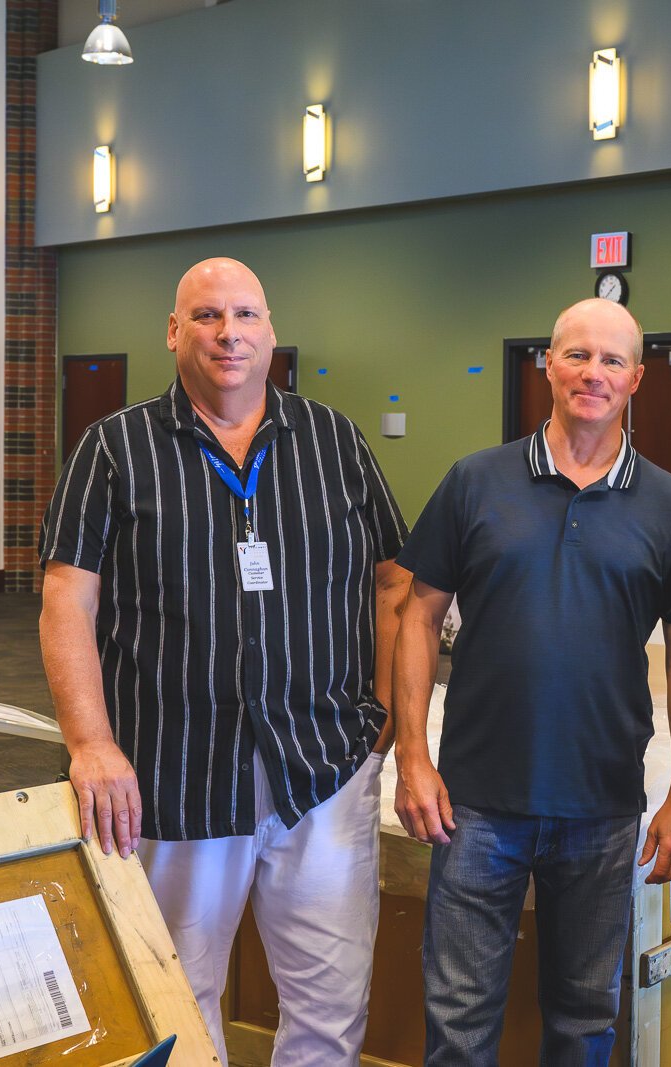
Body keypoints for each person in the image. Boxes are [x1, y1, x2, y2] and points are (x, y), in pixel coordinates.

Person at [38, 257, 409, 1065]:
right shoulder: (112, 449)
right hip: (172, 775)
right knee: (173, 998)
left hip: (323, 767)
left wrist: (383, 718)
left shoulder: (335, 441)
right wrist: (91, 743)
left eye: (245, 315)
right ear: (174, 332)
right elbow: (67, 602)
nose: (228, 333)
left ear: (271, 333)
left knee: (329, 1002)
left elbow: (396, 580)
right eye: (206, 316)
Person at [391, 297, 671, 1066]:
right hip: (474, 805)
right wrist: (412, 756)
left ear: (636, 377)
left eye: (610, 361)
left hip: (601, 806)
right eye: (576, 355)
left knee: (584, 1021)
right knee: (459, 1025)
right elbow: (416, 616)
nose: (591, 373)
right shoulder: (476, 481)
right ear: (547, 365)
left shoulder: (669, 505)